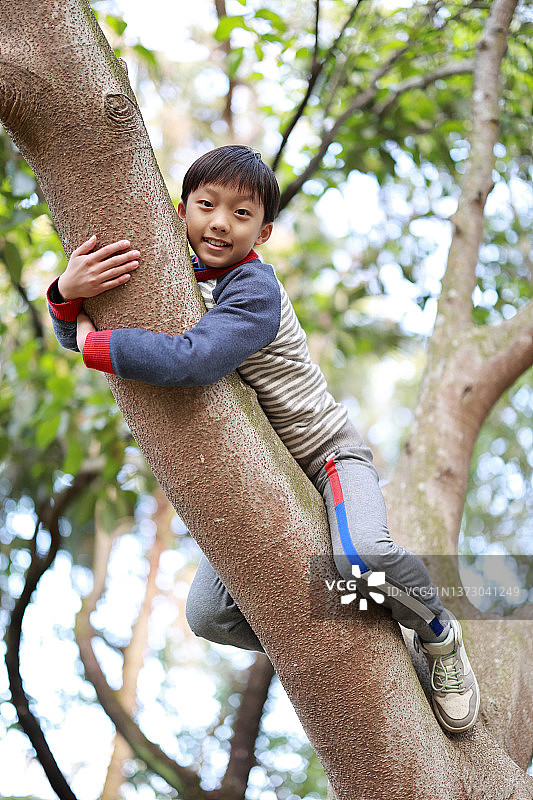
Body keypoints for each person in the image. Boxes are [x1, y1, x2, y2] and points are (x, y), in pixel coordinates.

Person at [47, 144, 479, 733]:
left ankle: (436, 630)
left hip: (325, 456)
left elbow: (192, 360)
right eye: (206, 205)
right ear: (180, 210)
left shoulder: (254, 290)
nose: (220, 222)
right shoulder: (173, 276)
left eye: (241, 213)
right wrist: (64, 295)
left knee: (361, 558)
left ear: (264, 231)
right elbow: (81, 331)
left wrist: (97, 346)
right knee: (207, 616)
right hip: (262, 476)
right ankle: (338, 640)